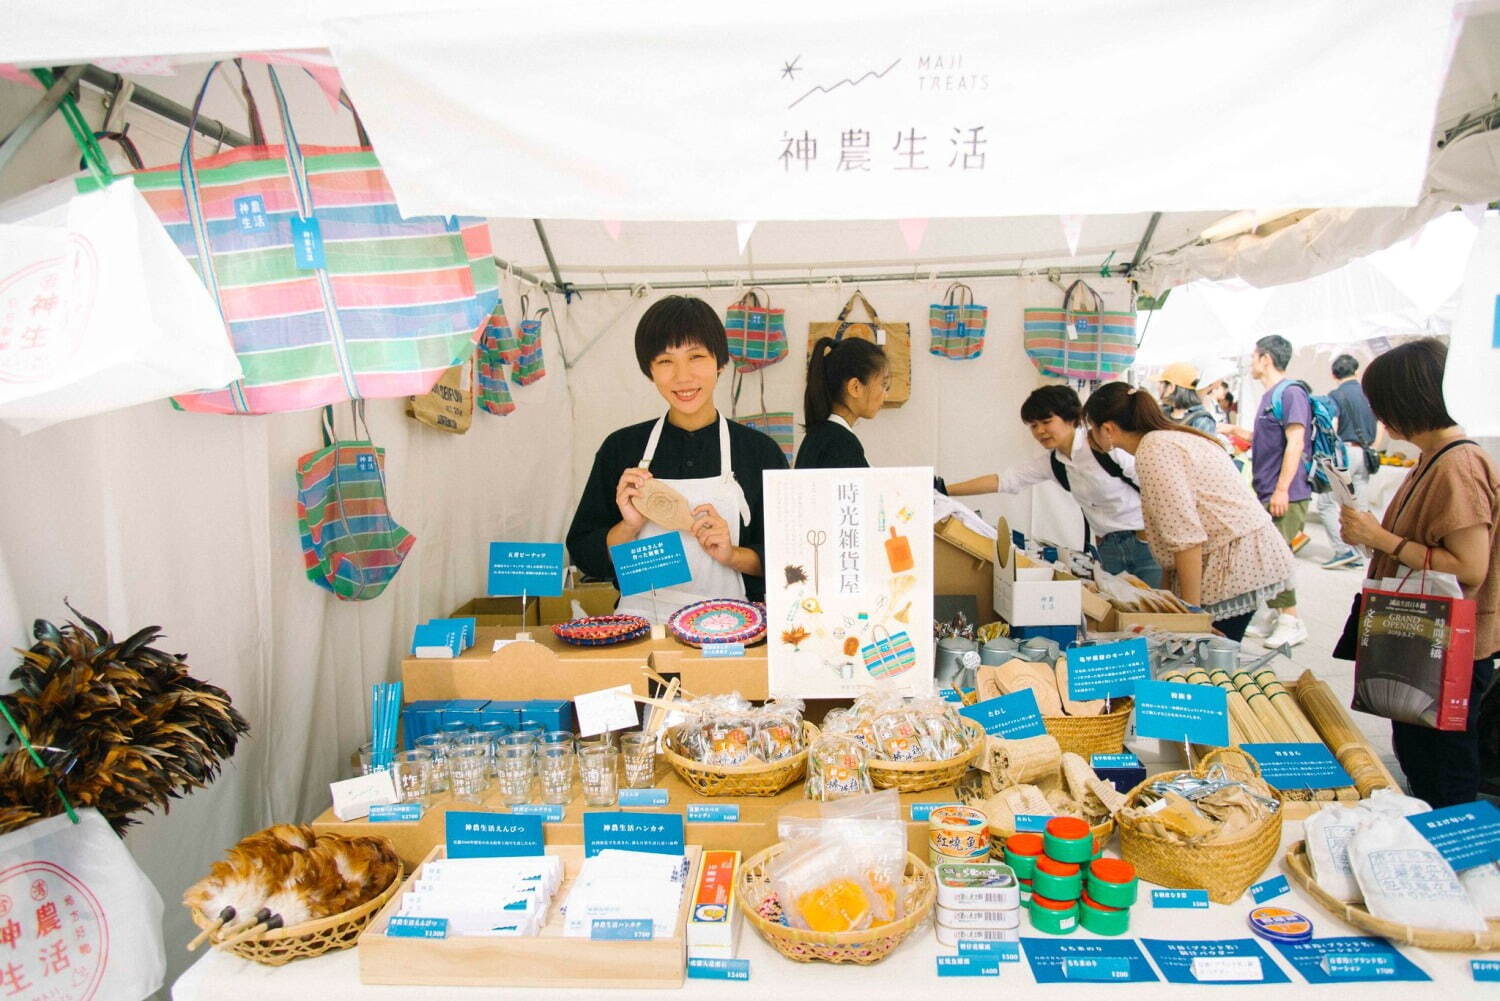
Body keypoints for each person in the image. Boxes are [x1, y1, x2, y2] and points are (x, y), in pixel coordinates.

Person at [1338, 338, 1498, 808]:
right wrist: (1371, 536)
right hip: (1424, 641)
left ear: (1406, 400)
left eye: (1379, 404)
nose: (1377, 416)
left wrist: (1382, 539)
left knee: (1444, 764)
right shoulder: (1434, 458)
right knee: (1420, 752)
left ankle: (1459, 860)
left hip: (1449, 647)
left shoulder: (1459, 464)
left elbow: (1471, 566)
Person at [566, 296, 788, 619]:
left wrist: (732, 554)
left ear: (720, 363)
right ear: (650, 371)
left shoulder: (759, 452)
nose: (683, 377)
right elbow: (585, 553)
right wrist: (629, 526)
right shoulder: (622, 449)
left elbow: (788, 557)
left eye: (696, 357)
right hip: (641, 626)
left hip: (730, 630)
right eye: (666, 362)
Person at [1083, 382, 1297, 641]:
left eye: (1091, 429)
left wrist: (1190, 617)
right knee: (1206, 655)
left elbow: (1186, 539)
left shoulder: (1154, 450)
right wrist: (1170, 603)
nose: (1089, 437)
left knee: (1206, 657)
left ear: (1108, 429)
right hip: (1242, 554)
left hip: (1233, 563)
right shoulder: (1171, 437)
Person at [946, 385, 1162, 586]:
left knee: (1161, 613)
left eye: (1046, 421)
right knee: (1126, 618)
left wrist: (1146, 537)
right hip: (1108, 550)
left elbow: (1154, 486)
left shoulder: (1106, 447)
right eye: (1033, 426)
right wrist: (944, 489)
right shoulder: (1054, 463)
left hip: (1145, 543)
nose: (1039, 431)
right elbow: (1004, 480)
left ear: (1070, 418)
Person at [1243, 334, 1310, 647]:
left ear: (1265, 359)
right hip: (1268, 491)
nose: (1250, 362)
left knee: (1274, 558)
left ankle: (1291, 619)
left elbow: (1295, 442)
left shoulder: (1291, 392)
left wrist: (1282, 490)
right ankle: (1275, 613)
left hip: (1286, 494)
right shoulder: (1270, 395)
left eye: (1253, 356)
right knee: (1265, 558)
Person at [1317, 353, 1381, 570]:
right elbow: (1380, 424)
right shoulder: (1368, 394)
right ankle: (1363, 552)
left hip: (1344, 452)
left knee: (1326, 502)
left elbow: (1331, 425)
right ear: (1356, 371)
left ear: (1334, 373)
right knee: (1359, 504)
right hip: (1366, 452)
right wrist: (1373, 446)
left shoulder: (1336, 395)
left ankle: (1344, 550)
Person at [794, 337, 889, 469]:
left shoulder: (822, 435)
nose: (886, 394)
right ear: (855, 387)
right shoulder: (840, 443)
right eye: (883, 384)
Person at [1156, 362, 1218, 435]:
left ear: (1171, 387)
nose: (1158, 388)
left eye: (1161, 383)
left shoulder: (1202, 421)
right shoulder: (1162, 414)